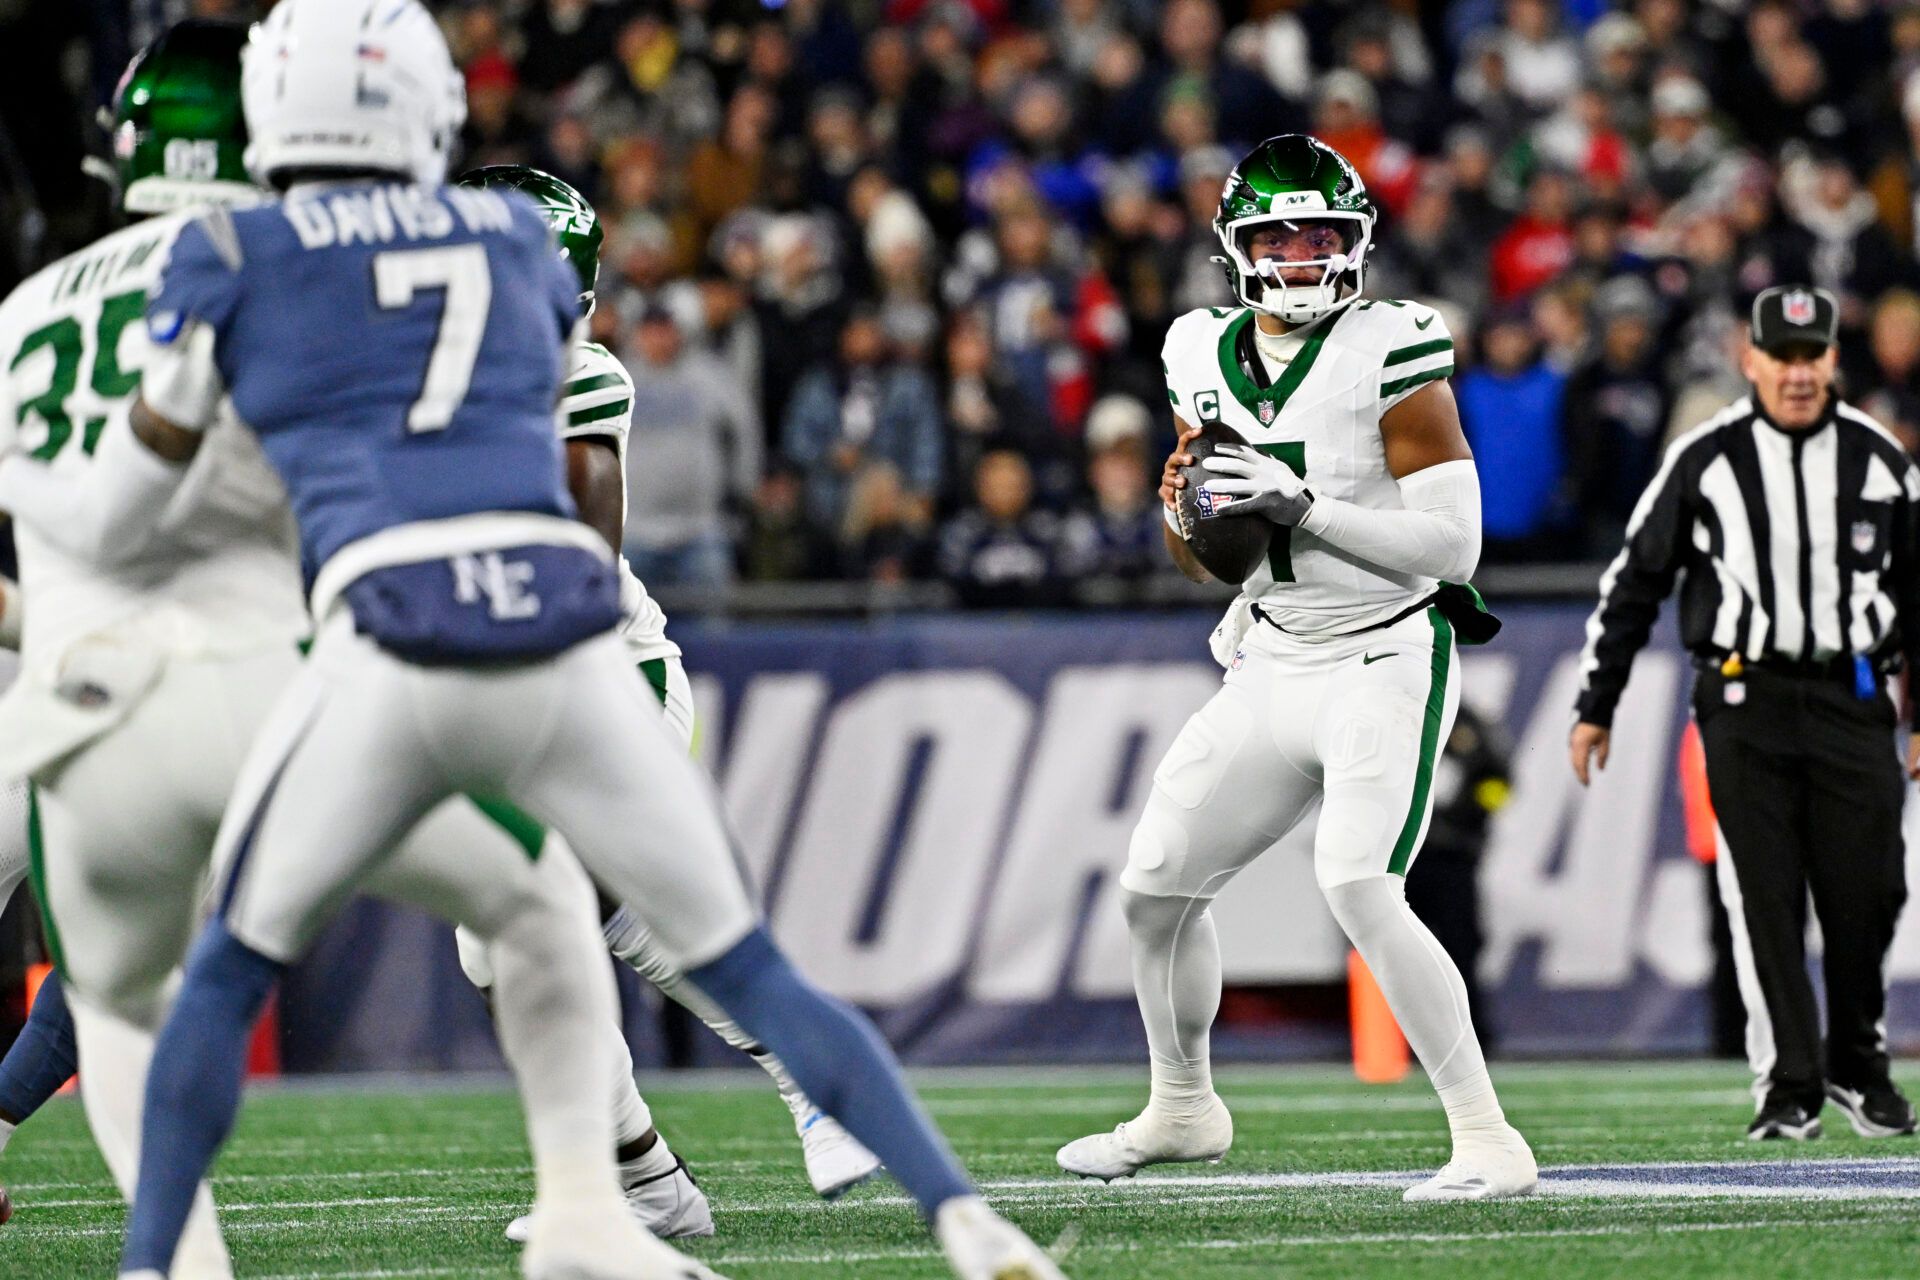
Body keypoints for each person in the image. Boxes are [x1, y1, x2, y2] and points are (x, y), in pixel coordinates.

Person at [52, 6, 1060, 1278]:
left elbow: (140, 490)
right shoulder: (509, 242)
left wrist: (70, 553)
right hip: (556, 637)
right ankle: (962, 1217)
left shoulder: (234, 249)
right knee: (723, 949)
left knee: (229, 963)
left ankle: (153, 1265)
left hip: (392, 635)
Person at [0, 20, 658, 1278]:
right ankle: (595, 1204)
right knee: (530, 901)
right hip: (241, 675)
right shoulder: (281, 273)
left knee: (114, 977)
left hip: (60, 703)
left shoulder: (32, 303)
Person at [1056, 135, 1535, 1202]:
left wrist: (1302, 505)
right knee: (1153, 887)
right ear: (1239, 247)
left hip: (1384, 647)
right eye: (1280, 233)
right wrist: (1197, 513)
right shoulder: (1195, 348)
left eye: (1323, 232)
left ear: (1357, 239)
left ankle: (1487, 1133)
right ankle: (1183, 1104)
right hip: (1270, 653)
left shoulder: (1393, 344)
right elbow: (1194, 550)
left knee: (1361, 879)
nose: (1304, 252)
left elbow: (1454, 549)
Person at [450, 165, 880, 1222]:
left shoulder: (581, 375)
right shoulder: (410, 371)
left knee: (554, 901)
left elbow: (579, 566)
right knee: (494, 947)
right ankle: (647, 1176)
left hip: (602, 669)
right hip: (488, 677)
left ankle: (792, 1081)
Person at [1570, 285, 1919, 1142]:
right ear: (1750, 356)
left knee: (1871, 889)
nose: (1798, 374)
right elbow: (1634, 580)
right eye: (1783, 356)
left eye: (1813, 355)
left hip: (1855, 694)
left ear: (1834, 358)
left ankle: (1857, 1059)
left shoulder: (1880, 459)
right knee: (1763, 894)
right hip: (1743, 697)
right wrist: (1597, 702)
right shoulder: (1705, 457)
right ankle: (1791, 1082)